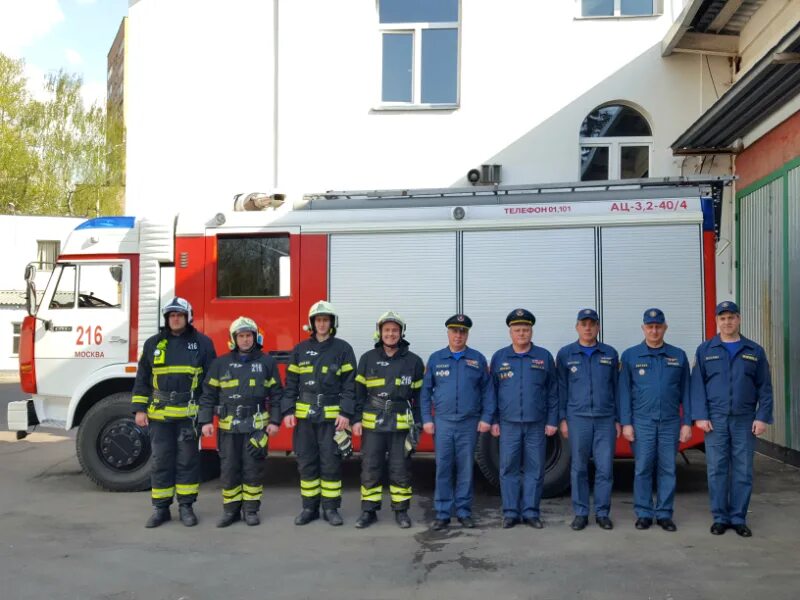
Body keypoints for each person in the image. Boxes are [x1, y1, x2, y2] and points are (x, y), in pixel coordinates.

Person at [131, 297, 216, 528]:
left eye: (179, 315)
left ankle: (186, 507)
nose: (175, 319)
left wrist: (206, 415)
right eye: (171, 315)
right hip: (159, 416)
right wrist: (139, 409)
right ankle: (161, 509)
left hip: (189, 416)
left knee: (187, 462)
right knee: (160, 461)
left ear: (188, 317)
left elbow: (210, 383)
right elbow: (142, 379)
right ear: (166, 318)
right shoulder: (153, 344)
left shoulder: (203, 344)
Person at [691, 301, 773, 537]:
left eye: (732, 317)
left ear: (739, 319)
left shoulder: (754, 351)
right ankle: (719, 517)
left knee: (743, 470)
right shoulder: (705, 350)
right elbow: (697, 387)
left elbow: (764, 388)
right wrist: (700, 416)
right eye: (723, 318)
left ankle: (738, 518)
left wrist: (762, 417)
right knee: (716, 469)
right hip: (715, 420)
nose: (727, 322)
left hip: (745, 419)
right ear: (717, 321)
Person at [198, 317, 283, 527]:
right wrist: (206, 420)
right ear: (234, 339)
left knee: (253, 469)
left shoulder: (266, 362)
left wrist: (274, 421)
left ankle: (251, 511)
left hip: (256, 428)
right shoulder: (221, 363)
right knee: (229, 470)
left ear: (255, 337)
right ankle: (230, 511)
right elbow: (208, 394)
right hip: (228, 429)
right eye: (241, 336)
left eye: (248, 335)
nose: (245, 340)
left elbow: (277, 395)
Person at [281, 301, 357, 526]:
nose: (322, 324)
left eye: (326, 320)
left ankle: (331, 509)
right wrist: (287, 411)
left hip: (332, 420)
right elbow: (291, 384)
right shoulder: (300, 350)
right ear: (312, 323)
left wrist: (346, 412)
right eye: (318, 320)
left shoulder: (343, 349)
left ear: (332, 323)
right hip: (305, 419)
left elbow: (350, 385)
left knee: (331, 463)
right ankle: (309, 508)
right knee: (306, 462)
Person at [619, 308, 692, 532]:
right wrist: (626, 423)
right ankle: (643, 513)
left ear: (665, 328)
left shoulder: (678, 356)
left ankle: (664, 514)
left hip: (670, 422)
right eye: (650, 326)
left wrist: (687, 422)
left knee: (668, 469)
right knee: (642, 468)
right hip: (642, 422)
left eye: (658, 326)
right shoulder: (630, 356)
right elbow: (624, 392)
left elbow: (687, 392)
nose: (654, 330)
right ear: (643, 328)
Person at [351, 311, 424, 529]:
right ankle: (368, 511)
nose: (390, 334)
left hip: (401, 425)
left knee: (400, 468)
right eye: (386, 330)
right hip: (373, 424)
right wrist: (356, 420)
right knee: (370, 467)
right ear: (380, 333)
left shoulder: (414, 362)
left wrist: (418, 423)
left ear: (401, 333)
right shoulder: (367, 359)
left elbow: (419, 397)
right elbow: (358, 394)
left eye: (394, 330)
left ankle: (401, 511)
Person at [420, 314, 493, 530]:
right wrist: (426, 419)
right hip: (442, 422)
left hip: (468, 423)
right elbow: (425, 392)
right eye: (454, 331)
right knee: (443, 467)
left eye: (462, 331)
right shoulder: (436, 358)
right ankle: (442, 513)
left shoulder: (477, 359)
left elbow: (488, 392)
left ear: (467, 334)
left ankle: (463, 511)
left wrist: (486, 418)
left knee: (465, 468)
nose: (458, 335)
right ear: (448, 333)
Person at [490, 309, 558, 529]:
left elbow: (553, 391)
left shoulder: (543, 356)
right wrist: (494, 420)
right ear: (510, 332)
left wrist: (552, 420)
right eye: (517, 329)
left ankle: (531, 512)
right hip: (508, 424)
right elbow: (492, 391)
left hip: (536, 424)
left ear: (531, 331)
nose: (521, 333)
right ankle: (510, 512)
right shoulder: (500, 357)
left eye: (525, 329)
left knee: (535, 469)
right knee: (508, 468)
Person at [556, 308, 620, 531]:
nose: (588, 328)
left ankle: (602, 513)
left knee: (605, 468)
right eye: (584, 324)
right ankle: (581, 513)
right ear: (577, 327)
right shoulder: (566, 354)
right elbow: (561, 389)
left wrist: (618, 419)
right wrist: (562, 419)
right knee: (579, 468)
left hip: (605, 419)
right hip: (577, 419)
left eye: (592, 324)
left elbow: (616, 388)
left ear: (598, 327)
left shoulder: (610, 353)